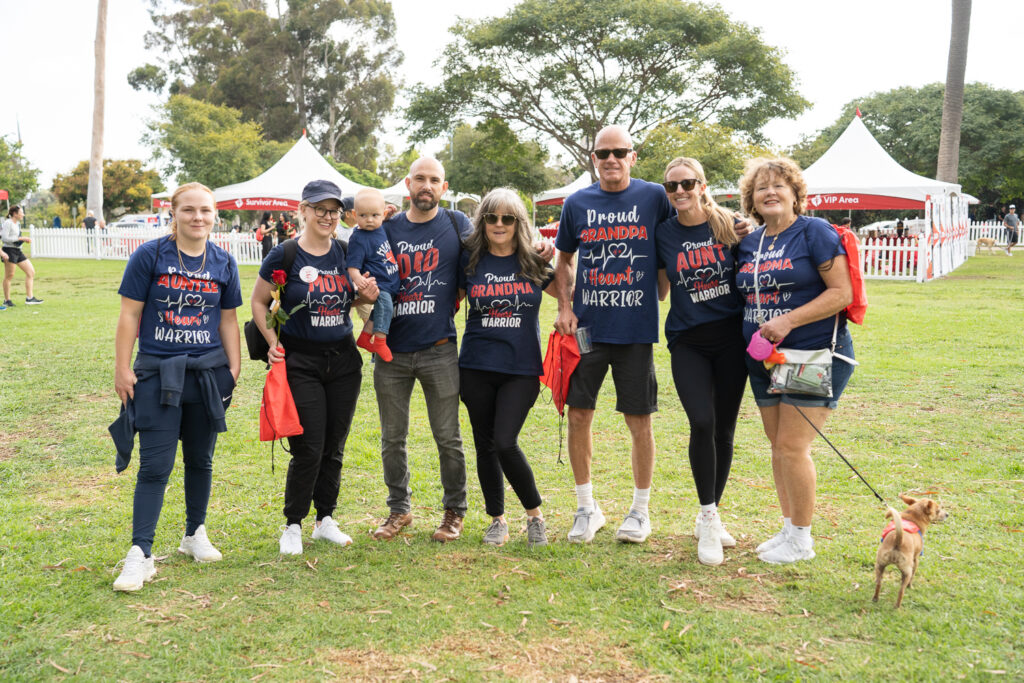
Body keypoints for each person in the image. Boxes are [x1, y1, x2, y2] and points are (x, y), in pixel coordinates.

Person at [110, 182, 241, 591]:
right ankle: (140, 554)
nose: (197, 217)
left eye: (205, 210)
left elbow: (227, 321)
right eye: (188, 210)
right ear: (174, 213)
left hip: (206, 375)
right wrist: (121, 367)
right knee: (155, 467)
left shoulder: (223, 262)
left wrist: (233, 371)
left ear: (214, 215)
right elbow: (130, 315)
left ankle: (194, 534)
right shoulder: (150, 256)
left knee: (201, 460)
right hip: (156, 374)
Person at [553, 125, 672, 545]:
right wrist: (565, 307)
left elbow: (687, 226)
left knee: (639, 420)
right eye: (603, 153)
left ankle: (640, 512)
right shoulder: (577, 203)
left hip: (636, 330)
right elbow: (563, 260)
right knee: (580, 414)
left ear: (632, 156)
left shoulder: (655, 196)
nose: (611, 160)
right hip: (588, 329)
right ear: (593, 158)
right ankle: (586, 508)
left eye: (619, 152)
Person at [735, 157, 855, 565]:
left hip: (812, 353)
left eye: (779, 185)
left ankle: (802, 540)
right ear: (750, 199)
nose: (770, 192)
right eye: (761, 187)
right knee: (778, 446)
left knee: (792, 445)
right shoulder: (750, 242)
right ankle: (788, 528)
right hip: (763, 359)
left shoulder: (814, 232)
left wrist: (787, 320)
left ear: (794, 193)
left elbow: (841, 292)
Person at [251, 179, 379, 556]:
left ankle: (326, 519)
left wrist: (364, 296)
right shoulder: (285, 255)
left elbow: (351, 299)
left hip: (342, 360)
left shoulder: (345, 252)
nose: (326, 216)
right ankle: (293, 523)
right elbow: (259, 303)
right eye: (319, 209)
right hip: (300, 361)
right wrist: (273, 344)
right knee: (308, 445)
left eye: (333, 210)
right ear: (303, 211)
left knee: (334, 444)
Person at [371, 157, 474, 543]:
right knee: (392, 437)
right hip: (392, 351)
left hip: (439, 348)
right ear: (407, 184)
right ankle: (399, 510)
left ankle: (454, 512)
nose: (426, 185)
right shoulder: (388, 228)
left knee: (447, 436)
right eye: (419, 179)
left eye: (434, 180)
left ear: (444, 188)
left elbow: (473, 269)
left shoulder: (456, 223)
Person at [654, 157, 746, 566]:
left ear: (702, 184)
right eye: (672, 186)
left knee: (724, 430)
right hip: (688, 340)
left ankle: (710, 513)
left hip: (732, 340)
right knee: (702, 422)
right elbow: (658, 290)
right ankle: (708, 516)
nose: (679, 192)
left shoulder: (730, 225)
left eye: (687, 183)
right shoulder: (663, 234)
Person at [457, 188, 555, 547]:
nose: (499, 225)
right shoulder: (469, 262)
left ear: (519, 223)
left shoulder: (533, 261)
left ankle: (535, 516)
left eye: (508, 219)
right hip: (476, 366)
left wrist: (557, 255)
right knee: (484, 444)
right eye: (491, 217)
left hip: (521, 368)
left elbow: (568, 293)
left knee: (505, 441)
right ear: (482, 221)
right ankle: (497, 520)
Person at [347, 188, 399, 362]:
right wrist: (359, 280)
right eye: (363, 215)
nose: (369, 220)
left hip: (390, 282)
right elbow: (352, 267)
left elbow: (384, 219)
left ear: (382, 214)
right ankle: (380, 341)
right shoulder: (358, 238)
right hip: (378, 284)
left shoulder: (381, 227)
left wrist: (388, 214)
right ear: (354, 215)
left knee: (379, 310)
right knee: (386, 308)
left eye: (375, 215)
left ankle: (364, 337)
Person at [2, 205, 44, 306]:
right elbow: (4, 238)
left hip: (17, 250)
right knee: (9, 275)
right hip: (9, 250)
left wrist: (23, 240)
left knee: (31, 272)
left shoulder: (18, 224)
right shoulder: (8, 223)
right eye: (21, 213)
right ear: (15, 214)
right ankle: (7, 300)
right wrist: (20, 239)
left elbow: (15, 237)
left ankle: (29, 298)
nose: (23, 215)